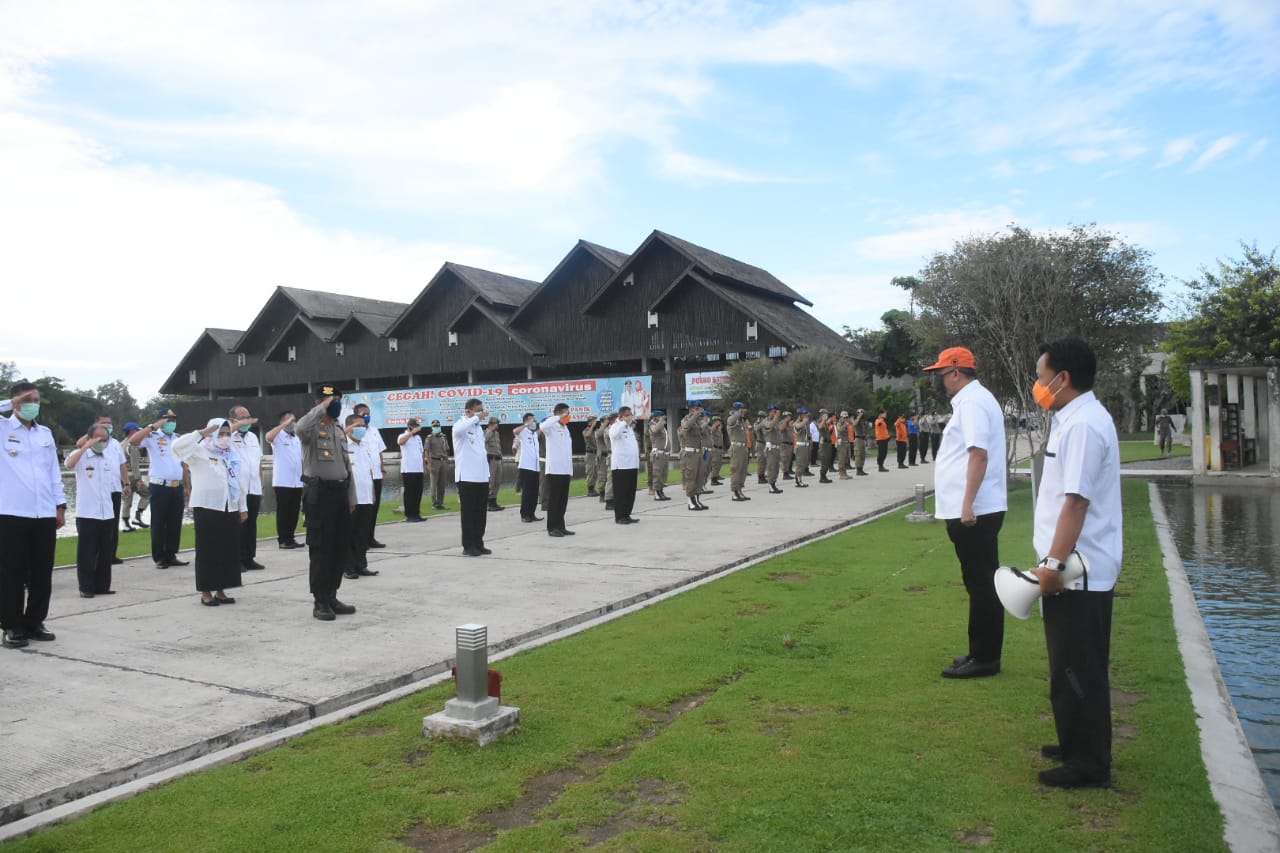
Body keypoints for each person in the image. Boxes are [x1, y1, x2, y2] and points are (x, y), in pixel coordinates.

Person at [1029, 338, 1122, 788]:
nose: (1038, 384)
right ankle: (1075, 741)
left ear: (1062, 379)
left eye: (1042, 375)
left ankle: (1089, 763)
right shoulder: (1072, 419)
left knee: (1077, 666)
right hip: (1072, 565)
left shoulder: (1084, 425)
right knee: (1068, 662)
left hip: (1078, 570)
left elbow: (1076, 503)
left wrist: (1052, 563)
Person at [924, 347, 1008, 679]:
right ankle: (980, 651)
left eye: (941, 374)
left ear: (956, 372)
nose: (940, 381)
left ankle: (986, 658)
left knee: (982, 582)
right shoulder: (972, 401)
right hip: (975, 507)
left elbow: (978, 455)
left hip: (975, 510)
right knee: (978, 581)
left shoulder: (972, 402)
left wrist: (967, 503)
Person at [1, 383, 67, 648]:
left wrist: (60, 505)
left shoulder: (45, 434)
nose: (33, 403)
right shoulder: (3, 428)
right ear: (16, 401)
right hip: (11, 511)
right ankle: (12, 625)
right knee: (11, 573)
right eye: (28, 399)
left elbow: (53, 472)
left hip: (43, 512)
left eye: (37, 399)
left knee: (42, 571)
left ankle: (34, 621)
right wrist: (9, 402)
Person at [171, 418, 248, 608]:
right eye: (220, 433)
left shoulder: (231, 454)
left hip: (229, 506)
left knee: (227, 550)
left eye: (228, 433)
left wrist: (243, 507)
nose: (225, 437)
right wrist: (200, 433)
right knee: (208, 550)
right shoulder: (199, 450)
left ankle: (221, 589)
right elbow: (177, 448)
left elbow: (239, 481)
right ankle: (206, 591)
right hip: (207, 506)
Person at [296, 387, 357, 620]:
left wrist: (351, 497)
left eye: (338, 400)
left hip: (340, 493)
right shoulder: (312, 429)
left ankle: (332, 595)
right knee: (321, 548)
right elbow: (299, 428)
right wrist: (321, 407)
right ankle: (320, 600)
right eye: (332, 400)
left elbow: (346, 466)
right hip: (319, 495)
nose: (336, 404)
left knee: (339, 547)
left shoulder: (339, 429)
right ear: (319, 403)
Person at [66, 424, 123, 598]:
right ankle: (86, 586)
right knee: (87, 552)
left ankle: (102, 585)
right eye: (98, 439)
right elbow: (69, 464)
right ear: (90, 438)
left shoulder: (107, 458)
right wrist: (86, 446)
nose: (101, 442)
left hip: (106, 511)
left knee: (105, 552)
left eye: (104, 440)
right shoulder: (82, 457)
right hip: (88, 513)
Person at [129, 408, 190, 569]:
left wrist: (187, 486)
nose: (171, 423)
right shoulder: (152, 436)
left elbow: (183, 465)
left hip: (176, 486)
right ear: (160, 421)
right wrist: (153, 426)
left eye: (173, 419)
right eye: (167, 419)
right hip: (159, 486)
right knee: (159, 523)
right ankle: (159, 557)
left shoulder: (178, 439)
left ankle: (171, 554)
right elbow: (133, 441)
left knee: (175, 523)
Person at [454, 399, 492, 556]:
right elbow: (458, 431)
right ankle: (468, 546)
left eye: (482, 410)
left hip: (481, 476)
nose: (482, 413)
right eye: (478, 410)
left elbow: (481, 452)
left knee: (480, 513)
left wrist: (487, 474)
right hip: (467, 477)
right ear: (469, 411)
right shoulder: (461, 425)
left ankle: (478, 542)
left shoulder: (478, 428)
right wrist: (475, 417)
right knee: (468, 513)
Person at [344, 414, 380, 579]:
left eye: (364, 426)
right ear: (349, 427)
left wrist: (372, 493)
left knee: (362, 533)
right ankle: (348, 567)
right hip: (352, 498)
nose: (362, 429)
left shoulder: (365, 445)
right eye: (358, 426)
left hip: (366, 496)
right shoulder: (343, 444)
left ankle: (361, 564)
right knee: (349, 533)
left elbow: (369, 471)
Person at [229, 405, 265, 572]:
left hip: (254, 487)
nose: (247, 421)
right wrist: (234, 426)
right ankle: (236, 559)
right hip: (238, 489)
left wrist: (261, 485)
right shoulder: (228, 436)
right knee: (238, 525)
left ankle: (249, 557)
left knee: (251, 525)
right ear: (233, 420)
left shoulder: (252, 437)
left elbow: (258, 463)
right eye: (242, 418)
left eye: (248, 417)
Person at [266, 411, 304, 548]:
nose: (292, 424)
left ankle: (291, 538)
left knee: (294, 511)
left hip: (297, 481)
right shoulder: (278, 436)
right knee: (284, 511)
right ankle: (283, 539)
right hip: (283, 481)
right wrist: (283, 425)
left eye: (293, 421)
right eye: (289, 421)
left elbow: (301, 458)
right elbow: (268, 437)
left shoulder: (296, 438)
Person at [352, 403, 387, 549]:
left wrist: (382, 469)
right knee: (361, 511)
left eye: (368, 413)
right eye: (363, 413)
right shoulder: (354, 432)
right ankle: (361, 540)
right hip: (362, 477)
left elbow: (379, 451)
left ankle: (370, 537)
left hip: (376, 475)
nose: (367, 416)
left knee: (374, 509)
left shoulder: (374, 431)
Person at [539, 403, 575, 536]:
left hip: (565, 469)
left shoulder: (565, 428)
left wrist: (570, 469)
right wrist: (557, 417)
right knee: (554, 500)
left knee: (562, 500)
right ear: (559, 413)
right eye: (566, 413)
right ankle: (552, 527)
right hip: (554, 469)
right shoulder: (551, 426)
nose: (568, 416)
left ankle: (561, 525)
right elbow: (542, 426)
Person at [609, 406, 641, 524]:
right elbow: (613, 435)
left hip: (631, 465)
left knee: (630, 492)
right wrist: (623, 422)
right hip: (621, 466)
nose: (630, 416)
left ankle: (627, 514)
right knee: (621, 493)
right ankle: (620, 516)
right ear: (622, 416)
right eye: (628, 414)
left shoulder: (629, 428)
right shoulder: (616, 426)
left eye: (631, 414)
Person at [120, 423, 150, 532]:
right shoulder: (132, 445)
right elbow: (134, 463)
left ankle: (125, 523)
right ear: (132, 432)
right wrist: (138, 479)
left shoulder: (121, 444)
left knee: (127, 500)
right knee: (147, 494)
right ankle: (138, 516)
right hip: (132, 476)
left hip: (123, 476)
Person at [514, 412, 543, 523]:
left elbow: (542, 430)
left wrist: (545, 423)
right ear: (526, 421)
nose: (534, 422)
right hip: (526, 467)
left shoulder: (534, 434)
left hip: (535, 467)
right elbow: (514, 431)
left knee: (534, 492)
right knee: (527, 492)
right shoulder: (523, 432)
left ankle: (532, 514)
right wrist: (526, 424)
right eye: (532, 420)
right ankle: (525, 515)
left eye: (534, 420)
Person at [680, 400, 709, 511]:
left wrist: (702, 419)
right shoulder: (686, 419)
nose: (701, 411)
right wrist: (695, 415)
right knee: (691, 477)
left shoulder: (697, 421)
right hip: (691, 453)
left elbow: (702, 429)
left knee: (699, 478)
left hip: (699, 452)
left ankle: (696, 499)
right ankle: (690, 501)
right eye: (698, 409)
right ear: (692, 409)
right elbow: (686, 427)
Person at [398, 418, 427, 522]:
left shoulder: (418, 438)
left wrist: (424, 467)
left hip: (418, 469)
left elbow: (421, 453)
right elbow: (401, 442)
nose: (417, 430)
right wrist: (411, 433)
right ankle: (409, 515)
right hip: (408, 469)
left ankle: (416, 513)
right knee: (409, 493)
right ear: (410, 427)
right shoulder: (403, 436)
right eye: (415, 427)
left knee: (418, 492)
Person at [725, 402, 751, 501]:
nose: (745, 411)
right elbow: (730, 421)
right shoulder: (732, 418)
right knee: (736, 470)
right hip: (736, 448)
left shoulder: (741, 421)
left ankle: (740, 490)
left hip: (743, 448)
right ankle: (735, 492)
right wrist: (738, 413)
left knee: (743, 471)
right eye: (743, 409)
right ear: (739, 409)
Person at [426, 420, 451, 510]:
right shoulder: (429, 438)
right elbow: (427, 451)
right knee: (434, 484)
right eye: (435, 426)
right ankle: (434, 504)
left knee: (442, 484)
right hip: (434, 461)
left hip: (443, 461)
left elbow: (446, 450)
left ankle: (441, 503)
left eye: (438, 426)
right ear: (432, 427)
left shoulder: (443, 437)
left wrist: (447, 462)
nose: (437, 427)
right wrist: (429, 464)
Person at [648, 410, 671, 501]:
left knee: (663, 474)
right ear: (656, 417)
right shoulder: (652, 425)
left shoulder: (662, 427)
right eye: (661, 416)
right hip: (658, 454)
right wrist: (661, 421)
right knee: (657, 474)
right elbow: (655, 430)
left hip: (664, 454)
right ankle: (657, 493)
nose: (663, 418)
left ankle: (661, 491)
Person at [483, 416, 505, 512]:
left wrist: (502, 459)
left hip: (498, 459)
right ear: (491, 424)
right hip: (490, 460)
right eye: (496, 424)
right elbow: (484, 440)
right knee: (491, 482)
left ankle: (494, 502)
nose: (497, 425)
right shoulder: (485, 432)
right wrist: (490, 430)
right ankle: (488, 504)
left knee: (497, 482)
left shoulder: (497, 434)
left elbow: (499, 447)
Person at [792, 409, 810, 488]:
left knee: (803, 463)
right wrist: (805, 421)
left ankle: (800, 479)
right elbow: (798, 427)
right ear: (801, 415)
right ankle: (798, 480)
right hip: (800, 446)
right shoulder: (797, 423)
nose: (806, 416)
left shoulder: (805, 423)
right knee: (800, 463)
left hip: (805, 445)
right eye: (805, 414)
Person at [583, 415, 600, 497]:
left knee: (595, 472)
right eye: (593, 421)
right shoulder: (586, 430)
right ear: (590, 422)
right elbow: (587, 435)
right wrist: (592, 426)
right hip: (590, 454)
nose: (595, 422)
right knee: (590, 472)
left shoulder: (596, 431)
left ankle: (593, 488)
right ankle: (590, 490)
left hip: (596, 453)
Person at [817, 410, 835, 483]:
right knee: (824, 460)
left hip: (828, 443)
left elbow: (827, 424)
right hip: (823, 444)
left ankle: (824, 476)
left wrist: (830, 419)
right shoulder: (820, 421)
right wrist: (824, 419)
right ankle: (822, 477)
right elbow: (820, 426)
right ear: (822, 414)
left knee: (827, 460)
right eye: (825, 414)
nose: (826, 415)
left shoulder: (825, 422)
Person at [852, 408, 870, 476]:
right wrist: (859, 417)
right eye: (860, 413)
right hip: (858, 439)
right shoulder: (856, 420)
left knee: (863, 455)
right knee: (858, 455)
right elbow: (854, 424)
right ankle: (858, 470)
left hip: (863, 439)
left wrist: (866, 440)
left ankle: (861, 468)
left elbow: (866, 431)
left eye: (862, 413)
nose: (862, 414)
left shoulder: (863, 421)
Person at [835, 411, 852, 478]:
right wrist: (845, 425)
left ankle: (845, 473)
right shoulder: (839, 423)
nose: (845, 419)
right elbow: (839, 430)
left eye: (846, 417)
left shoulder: (846, 424)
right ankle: (841, 474)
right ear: (841, 417)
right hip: (841, 443)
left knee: (846, 458)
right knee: (841, 459)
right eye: (844, 417)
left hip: (846, 442)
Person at [709, 416, 726, 485]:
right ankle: (713, 480)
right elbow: (712, 429)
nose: (720, 422)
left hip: (720, 449)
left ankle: (716, 477)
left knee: (719, 464)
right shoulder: (713, 428)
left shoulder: (719, 430)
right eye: (718, 421)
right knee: (715, 464)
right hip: (715, 449)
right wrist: (716, 424)